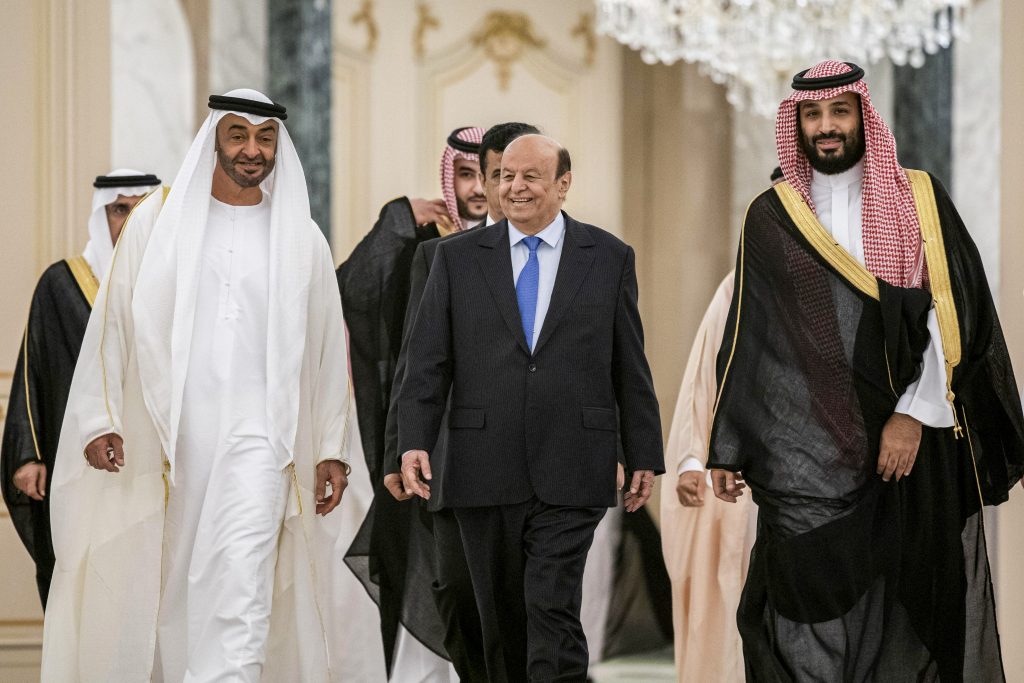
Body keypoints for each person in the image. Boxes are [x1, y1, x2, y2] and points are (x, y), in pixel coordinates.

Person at [708, 60, 1024, 680]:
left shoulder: (920, 199)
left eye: (839, 112)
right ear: (795, 124)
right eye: (812, 114)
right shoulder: (772, 214)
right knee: (798, 612)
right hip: (810, 458)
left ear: (862, 116)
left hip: (911, 450)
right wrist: (730, 443)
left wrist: (912, 413)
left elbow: (951, 317)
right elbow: (752, 336)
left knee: (914, 617)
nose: (826, 127)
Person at [40, 89, 356, 682]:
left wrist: (333, 447)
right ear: (214, 138)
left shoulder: (302, 240)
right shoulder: (157, 227)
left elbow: (324, 351)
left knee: (244, 580)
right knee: (172, 588)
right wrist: (99, 417)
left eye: (264, 138)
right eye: (238, 135)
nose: (252, 150)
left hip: (263, 442)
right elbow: (114, 325)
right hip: (170, 439)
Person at [398, 134, 664, 682]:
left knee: (553, 609)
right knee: (499, 620)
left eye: (531, 176)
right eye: (505, 176)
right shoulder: (454, 260)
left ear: (563, 185)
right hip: (480, 463)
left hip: (573, 463)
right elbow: (426, 362)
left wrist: (643, 452)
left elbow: (629, 365)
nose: (514, 187)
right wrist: (413, 442)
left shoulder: (609, 256)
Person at [337, 125, 487, 679]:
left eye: (484, 174)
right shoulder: (421, 242)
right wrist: (397, 220)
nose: (475, 189)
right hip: (433, 443)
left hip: (501, 447)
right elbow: (350, 293)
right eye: (464, 174)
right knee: (431, 574)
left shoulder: (526, 243)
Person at [1, 169, 160, 608]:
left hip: (151, 461)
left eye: (139, 210)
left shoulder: (172, 285)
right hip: (76, 459)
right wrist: (28, 453)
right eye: (118, 210)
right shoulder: (62, 282)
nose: (128, 221)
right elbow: (34, 365)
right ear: (101, 215)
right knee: (84, 583)